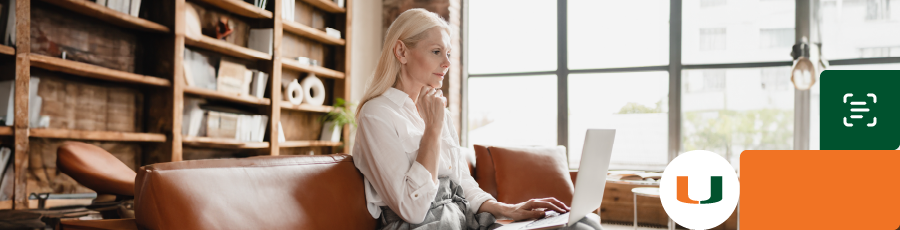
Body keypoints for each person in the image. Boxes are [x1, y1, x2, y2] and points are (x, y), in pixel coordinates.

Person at [352, 8, 602, 230]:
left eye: (448, 53)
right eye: (436, 51)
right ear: (401, 51)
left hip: (463, 218)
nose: (447, 62)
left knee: (583, 223)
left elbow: (461, 182)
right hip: (424, 225)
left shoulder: (439, 110)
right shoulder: (377, 114)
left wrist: (506, 208)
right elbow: (413, 210)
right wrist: (433, 129)